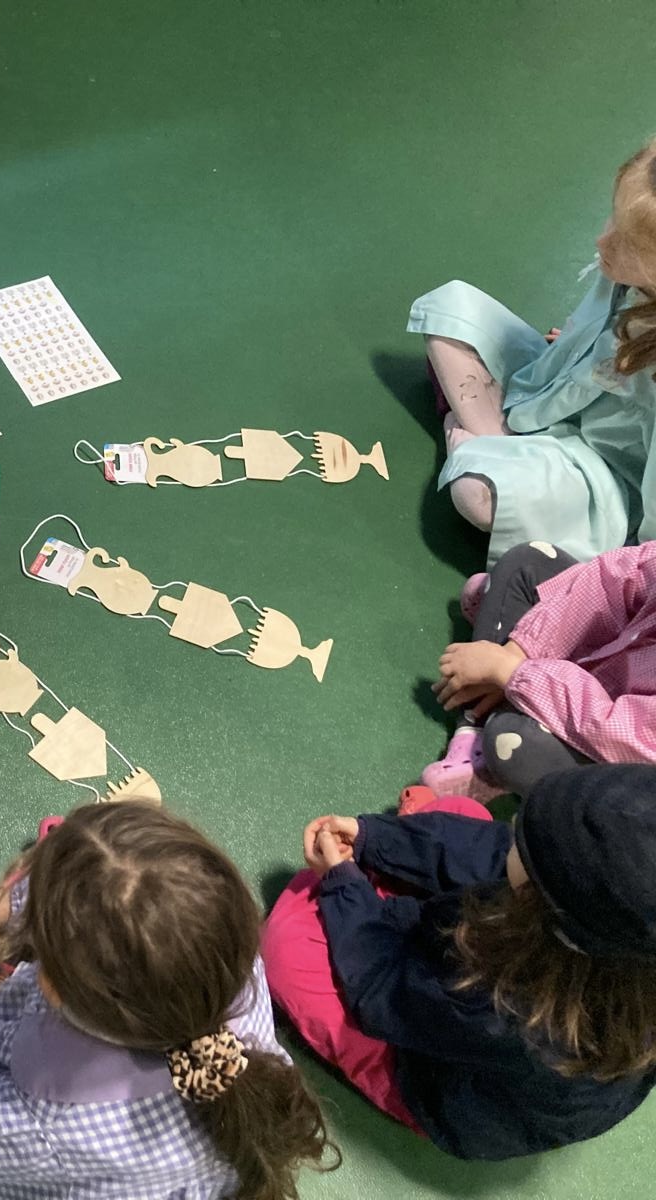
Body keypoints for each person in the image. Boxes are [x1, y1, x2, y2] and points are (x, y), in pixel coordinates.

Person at [0, 803, 337, 1200]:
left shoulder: (48, 1122)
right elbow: (140, 895)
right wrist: (8, 906)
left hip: (28, 1154)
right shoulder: (225, 957)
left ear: (51, 983)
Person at [263, 768, 656, 1161]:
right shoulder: (609, 947)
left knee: (288, 947)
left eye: (521, 833)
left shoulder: (512, 1013)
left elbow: (381, 988)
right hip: (476, 982)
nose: (513, 820)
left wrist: (342, 882)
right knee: (463, 815)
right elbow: (489, 848)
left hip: (444, 1083)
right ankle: (383, 888)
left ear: (532, 904)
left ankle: (381, 1068)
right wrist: (372, 838)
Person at [410, 136, 656, 566]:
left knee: (477, 496)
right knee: (451, 312)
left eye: (627, 245)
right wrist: (574, 351)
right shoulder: (626, 273)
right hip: (542, 392)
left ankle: (471, 440)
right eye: (611, 220)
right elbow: (589, 335)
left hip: (597, 473)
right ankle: (487, 439)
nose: (603, 241)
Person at [423, 540, 656, 801]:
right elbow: (610, 579)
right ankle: (481, 717)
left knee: (514, 742)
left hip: (612, 753)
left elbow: (614, 732)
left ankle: (480, 748)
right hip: (585, 672)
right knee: (528, 560)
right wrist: (519, 648)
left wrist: (511, 671)